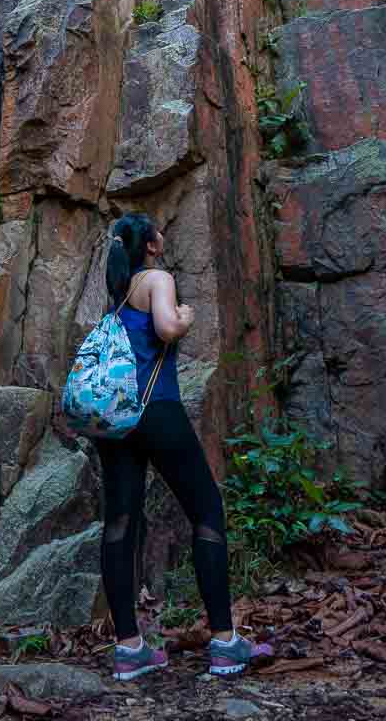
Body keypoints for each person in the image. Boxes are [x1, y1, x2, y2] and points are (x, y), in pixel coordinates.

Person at [96, 213, 274, 681]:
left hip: (115, 419)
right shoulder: (157, 278)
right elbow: (167, 328)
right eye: (160, 232)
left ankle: (129, 649)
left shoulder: (115, 297)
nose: (163, 237)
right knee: (208, 512)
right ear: (151, 244)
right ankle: (224, 642)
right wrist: (184, 318)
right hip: (157, 411)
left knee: (119, 523)